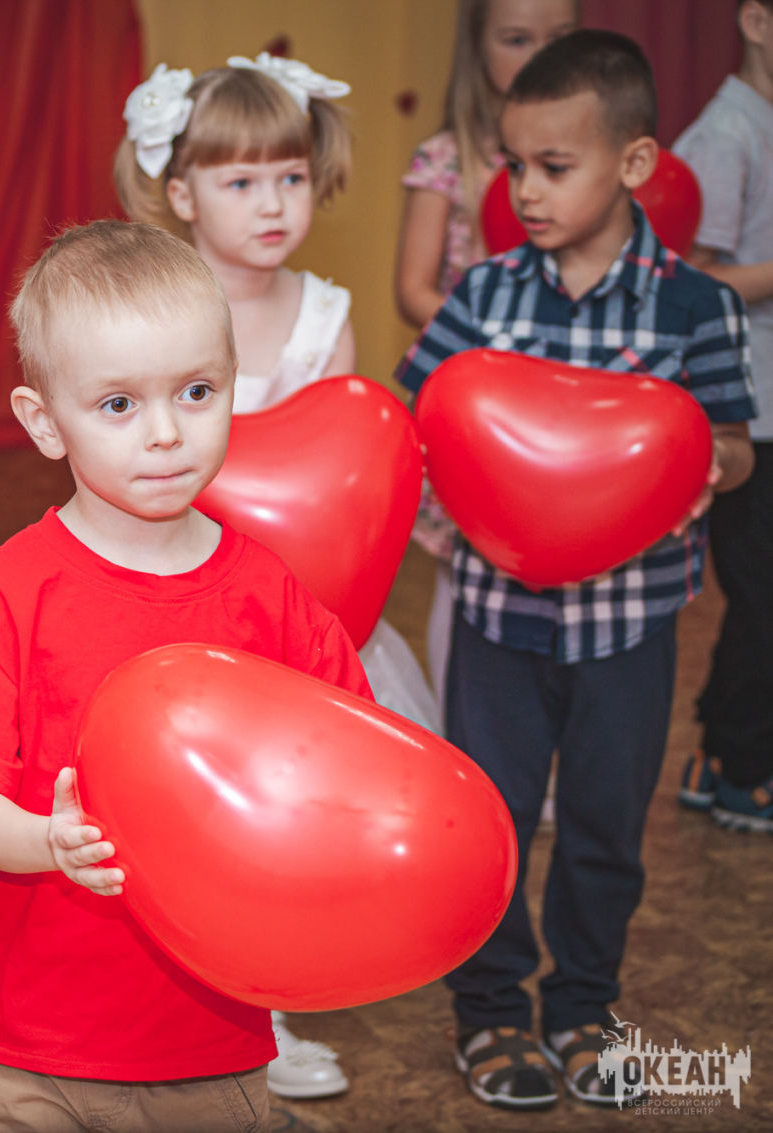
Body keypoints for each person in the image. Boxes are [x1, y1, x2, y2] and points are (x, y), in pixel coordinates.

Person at [0, 218, 374, 1133]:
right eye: (118, 404)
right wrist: (52, 842)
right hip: (41, 1053)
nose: (165, 433)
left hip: (215, 1050)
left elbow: (344, 774)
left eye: (197, 391)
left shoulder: (271, 598)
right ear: (45, 422)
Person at [397, 31, 756, 1110]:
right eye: (515, 165)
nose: (526, 190)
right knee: (492, 822)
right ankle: (491, 1012)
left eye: (554, 166)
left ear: (635, 162)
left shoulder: (695, 306)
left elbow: (733, 444)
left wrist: (700, 462)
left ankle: (585, 1007)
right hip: (497, 617)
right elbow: (419, 412)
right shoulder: (483, 294)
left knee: (605, 826)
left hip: (628, 624)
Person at [114, 51, 424, 1097]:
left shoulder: (323, 314)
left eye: (289, 177)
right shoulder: (160, 305)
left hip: (290, 612)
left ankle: (266, 1007)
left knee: (282, 811)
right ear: (180, 192)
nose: (272, 203)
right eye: (240, 180)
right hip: (174, 603)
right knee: (184, 811)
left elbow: (340, 469)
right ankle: (180, 997)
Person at [394, 0, 577, 718]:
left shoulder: (587, 157)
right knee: (464, 569)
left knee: (555, 561)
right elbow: (413, 287)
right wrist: (491, 337)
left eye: (559, 38)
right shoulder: (448, 157)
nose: (539, 55)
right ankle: (461, 732)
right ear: (478, 47)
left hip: (560, 401)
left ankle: (534, 737)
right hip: (472, 400)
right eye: (516, 39)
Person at [672, 0, 773, 832]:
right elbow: (688, 278)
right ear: (756, 22)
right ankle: (738, 765)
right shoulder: (726, 134)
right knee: (763, 596)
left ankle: (715, 752)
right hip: (748, 411)